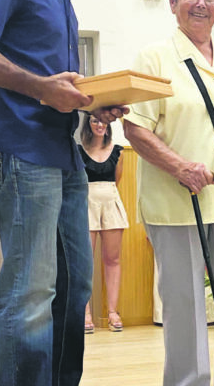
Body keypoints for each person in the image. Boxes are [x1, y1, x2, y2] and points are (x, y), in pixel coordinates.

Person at [0, 0, 127, 384]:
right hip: (19, 147)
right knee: (32, 293)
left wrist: (90, 101)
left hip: (62, 150)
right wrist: (42, 89)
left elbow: (52, 81)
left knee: (74, 285)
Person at [120, 0, 214, 384]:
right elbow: (134, 127)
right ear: (173, 4)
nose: (201, 4)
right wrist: (180, 166)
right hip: (176, 201)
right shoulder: (154, 57)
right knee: (185, 309)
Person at [78, 116, 128, 333]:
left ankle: (113, 312)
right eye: (95, 121)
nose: (99, 125)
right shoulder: (78, 150)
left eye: (103, 122)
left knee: (113, 259)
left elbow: (117, 180)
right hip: (86, 203)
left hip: (110, 201)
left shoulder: (119, 151)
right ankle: (85, 313)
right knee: (85, 261)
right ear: (88, 124)